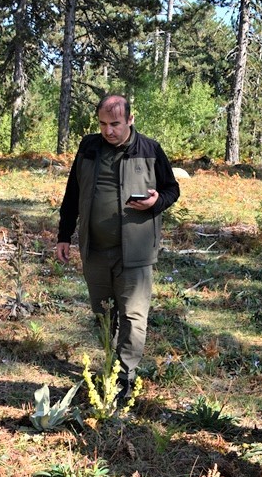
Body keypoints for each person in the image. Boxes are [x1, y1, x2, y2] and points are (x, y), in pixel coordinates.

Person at [56, 95, 180, 402]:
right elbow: (73, 192)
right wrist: (63, 235)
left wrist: (156, 202)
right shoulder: (89, 147)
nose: (108, 131)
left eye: (115, 124)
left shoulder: (150, 149)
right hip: (95, 249)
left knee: (133, 316)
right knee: (103, 315)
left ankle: (125, 377)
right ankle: (111, 364)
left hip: (135, 252)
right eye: (103, 124)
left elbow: (172, 189)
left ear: (130, 120)